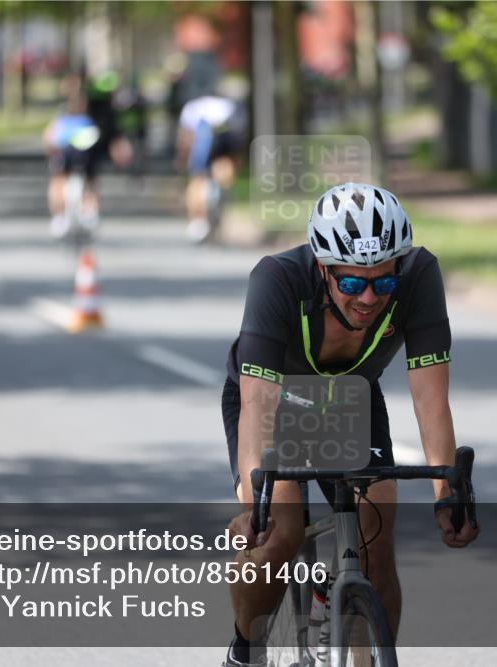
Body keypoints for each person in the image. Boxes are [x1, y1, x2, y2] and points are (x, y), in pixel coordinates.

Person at [220, 183, 480, 666]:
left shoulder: (420, 275)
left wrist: (448, 495)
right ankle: (244, 652)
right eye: (353, 284)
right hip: (274, 402)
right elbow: (257, 404)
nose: (369, 298)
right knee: (281, 532)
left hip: (348, 400)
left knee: (375, 539)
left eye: (383, 283)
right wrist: (255, 505)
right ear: (324, 268)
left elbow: (430, 400)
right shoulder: (277, 280)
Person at [175, 91, 241, 242]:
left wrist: (182, 159)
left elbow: (185, 137)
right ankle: (221, 202)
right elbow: (237, 136)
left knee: (198, 179)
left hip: (204, 142)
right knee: (223, 175)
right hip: (224, 144)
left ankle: (198, 219)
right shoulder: (228, 105)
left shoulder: (191, 107)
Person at [44, 78, 101, 238]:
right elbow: (49, 138)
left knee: (80, 180)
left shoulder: (80, 120)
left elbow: (49, 138)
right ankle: (63, 215)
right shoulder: (65, 120)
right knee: (61, 179)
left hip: (79, 154)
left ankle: (82, 211)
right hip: (70, 154)